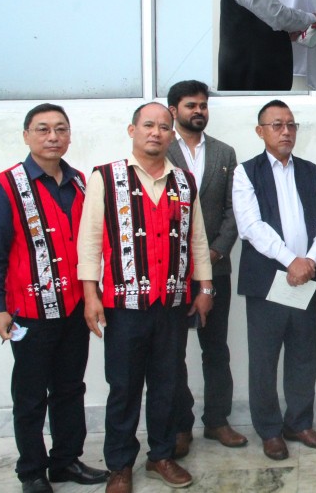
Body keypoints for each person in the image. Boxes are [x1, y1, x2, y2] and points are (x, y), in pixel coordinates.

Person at [78, 102, 214, 492]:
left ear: (173, 134)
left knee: (166, 383)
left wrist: (204, 287)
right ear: (132, 130)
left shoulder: (184, 181)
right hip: (124, 307)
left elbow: (197, 238)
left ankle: (160, 455)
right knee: (123, 386)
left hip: (171, 304)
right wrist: (91, 294)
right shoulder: (106, 177)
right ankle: (120, 464)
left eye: (164, 127)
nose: (156, 132)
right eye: (148, 125)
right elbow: (89, 241)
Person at [0, 104, 109, 493]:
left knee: (70, 388)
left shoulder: (80, 182)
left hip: (76, 307)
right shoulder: (4, 185)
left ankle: (65, 461)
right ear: (26, 135)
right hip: (29, 312)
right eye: (42, 129)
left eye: (60, 129)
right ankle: (32, 473)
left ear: (70, 136)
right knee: (29, 395)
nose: (52, 136)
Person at [233, 100, 316, 460]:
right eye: (277, 125)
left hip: (306, 277)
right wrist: (291, 260)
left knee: (303, 355)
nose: (286, 131)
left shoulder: (311, 171)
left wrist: (309, 260)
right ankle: (269, 429)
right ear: (260, 131)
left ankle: (299, 422)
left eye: (291, 125)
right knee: (264, 359)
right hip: (267, 282)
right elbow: (251, 227)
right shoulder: (246, 172)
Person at [166, 80, 246, 456]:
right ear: (173, 110)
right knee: (173, 352)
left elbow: (234, 211)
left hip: (216, 270)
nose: (198, 111)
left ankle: (217, 421)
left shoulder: (224, 152)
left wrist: (214, 252)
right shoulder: (160, 150)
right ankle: (180, 426)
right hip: (172, 272)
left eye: (203, 105)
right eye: (190, 105)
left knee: (216, 349)